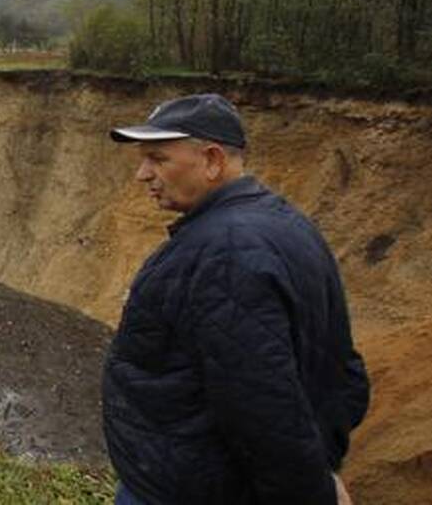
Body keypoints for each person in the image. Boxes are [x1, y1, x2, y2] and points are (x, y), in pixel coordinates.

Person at [103, 93, 369, 505]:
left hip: (196, 489)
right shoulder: (286, 223)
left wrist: (310, 491)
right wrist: (321, 466)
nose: (142, 174)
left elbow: (262, 404)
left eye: (158, 158)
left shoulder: (224, 254)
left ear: (212, 160)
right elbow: (343, 370)